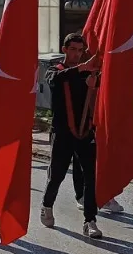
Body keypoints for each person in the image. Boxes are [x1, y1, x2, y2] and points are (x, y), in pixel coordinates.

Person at [41, 33, 103, 239]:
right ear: (65, 49)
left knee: (90, 176)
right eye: (73, 49)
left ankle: (90, 220)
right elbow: (56, 79)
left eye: (80, 50)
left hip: (85, 131)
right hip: (63, 131)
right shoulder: (55, 70)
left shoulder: (88, 73)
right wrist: (82, 69)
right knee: (57, 175)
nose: (77, 54)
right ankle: (47, 205)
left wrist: (96, 80)